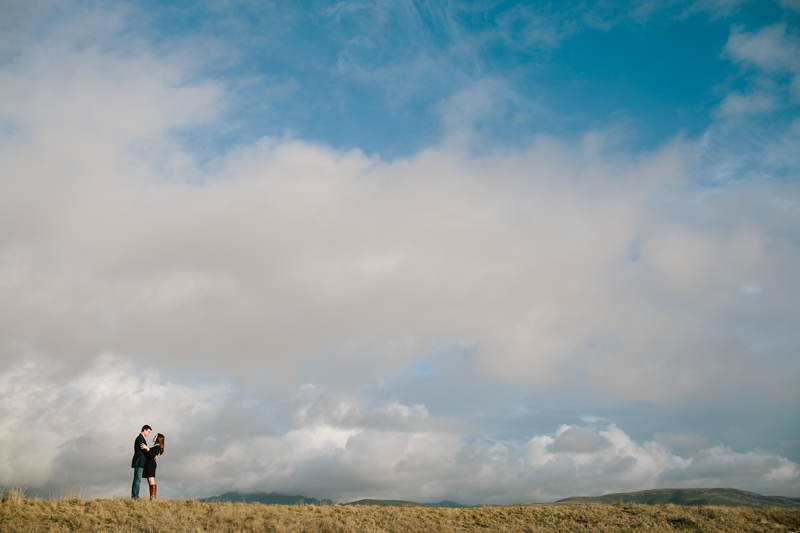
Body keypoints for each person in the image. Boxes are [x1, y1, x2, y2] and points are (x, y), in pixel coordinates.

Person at [140, 433, 165, 500]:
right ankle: (152, 496)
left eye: (155, 436)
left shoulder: (157, 447)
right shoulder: (156, 447)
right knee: (149, 480)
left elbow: (151, 455)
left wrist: (147, 449)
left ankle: (153, 497)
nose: (153, 437)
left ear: (158, 439)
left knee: (151, 480)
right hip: (148, 464)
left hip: (150, 464)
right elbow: (153, 455)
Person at [131, 425, 151, 499]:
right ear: (144, 430)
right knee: (137, 479)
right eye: (148, 432)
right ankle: (135, 496)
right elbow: (144, 449)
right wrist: (148, 450)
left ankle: (135, 495)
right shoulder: (140, 438)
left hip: (141, 462)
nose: (148, 434)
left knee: (138, 479)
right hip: (139, 462)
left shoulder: (141, 439)